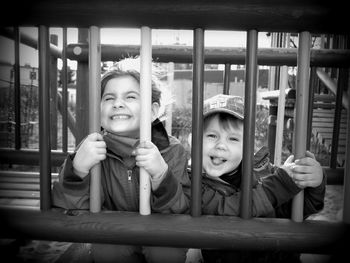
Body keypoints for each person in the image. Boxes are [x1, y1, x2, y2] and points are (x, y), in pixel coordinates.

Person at [52, 57, 191, 263]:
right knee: (108, 248)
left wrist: (162, 176)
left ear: (153, 111)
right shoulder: (91, 149)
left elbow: (182, 211)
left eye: (130, 97)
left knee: (165, 250)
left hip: (161, 234)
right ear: (99, 109)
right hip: (114, 234)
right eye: (108, 98)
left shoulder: (172, 151)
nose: (117, 104)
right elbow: (67, 208)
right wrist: (78, 169)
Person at [194, 94, 325, 263]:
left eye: (233, 138)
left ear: (248, 146)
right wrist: (279, 185)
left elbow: (295, 211)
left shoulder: (264, 172)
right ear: (194, 140)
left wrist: (312, 183)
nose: (221, 145)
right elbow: (222, 210)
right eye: (212, 135)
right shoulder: (193, 182)